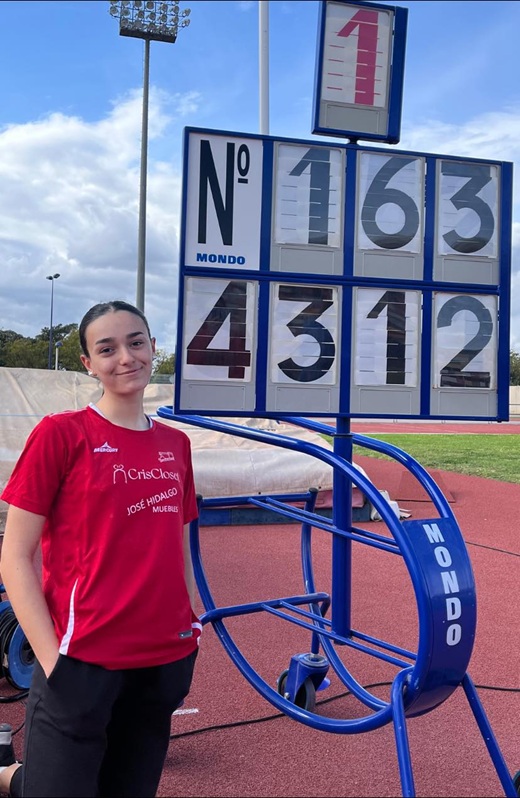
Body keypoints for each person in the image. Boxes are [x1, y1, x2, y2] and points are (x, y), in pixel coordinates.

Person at [0, 300, 200, 797]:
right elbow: (15, 555)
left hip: (162, 660)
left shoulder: (176, 445)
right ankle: (9, 775)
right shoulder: (61, 435)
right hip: (80, 659)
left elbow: (179, 542)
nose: (125, 357)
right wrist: (51, 659)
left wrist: (191, 624)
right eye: (106, 349)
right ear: (88, 364)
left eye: (136, 342)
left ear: (154, 348)